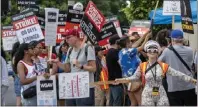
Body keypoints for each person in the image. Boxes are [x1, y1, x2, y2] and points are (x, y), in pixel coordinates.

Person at [115, 40, 197, 106]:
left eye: (154, 50)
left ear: (158, 52)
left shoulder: (163, 66)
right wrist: (121, 80)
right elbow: (134, 77)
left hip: (161, 93)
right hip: (147, 93)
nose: (152, 52)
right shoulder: (142, 66)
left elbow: (178, 74)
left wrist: (192, 80)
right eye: (149, 50)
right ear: (146, 53)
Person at [50, 29, 96, 106]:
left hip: (85, 87)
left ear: (76, 37)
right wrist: (57, 63)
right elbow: (67, 69)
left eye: (68, 37)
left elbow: (93, 68)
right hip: (72, 87)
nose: (66, 40)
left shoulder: (88, 48)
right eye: (65, 38)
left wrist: (81, 66)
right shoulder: (70, 50)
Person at [158, 29, 197, 106]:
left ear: (172, 39)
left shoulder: (167, 51)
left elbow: (158, 62)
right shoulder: (190, 50)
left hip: (173, 86)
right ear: (182, 39)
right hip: (189, 85)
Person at [117, 31, 150, 106]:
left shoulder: (121, 52)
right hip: (134, 79)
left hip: (127, 80)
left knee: (133, 102)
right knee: (141, 102)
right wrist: (147, 38)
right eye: (130, 42)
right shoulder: (130, 51)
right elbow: (141, 47)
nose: (132, 43)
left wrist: (145, 35)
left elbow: (136, 44)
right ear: (127, 44)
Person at [105, 34, 124, 106]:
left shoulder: (110, 51)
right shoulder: (114, 52)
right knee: (117, 102)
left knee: (112, 102)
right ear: (117, 42)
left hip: (112, 81)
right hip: (116, 81)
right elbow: (121, 64)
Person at [11, 42, 22, 106]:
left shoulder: (13, 56)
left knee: (19, 98)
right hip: (19, 78)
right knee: (19, 98)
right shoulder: (17, 56)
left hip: (16, 79)